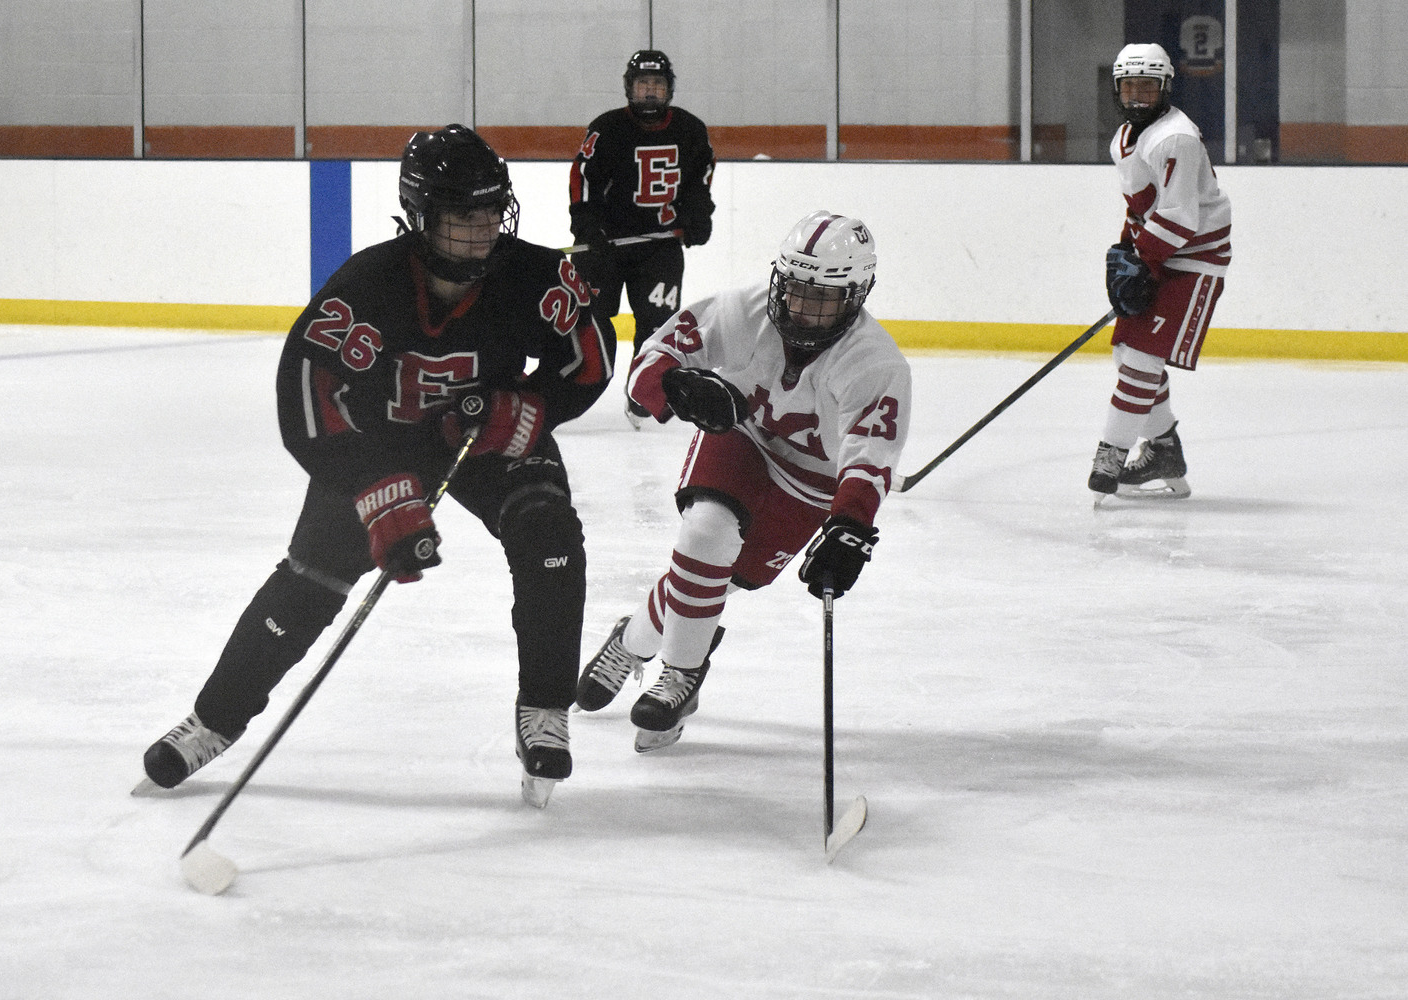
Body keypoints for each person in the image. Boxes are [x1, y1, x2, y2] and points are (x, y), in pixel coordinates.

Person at [143, 125, 616, 808]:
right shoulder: (369, 284)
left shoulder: (537, 276)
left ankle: (544, 709)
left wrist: (535, 407)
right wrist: (372, 487)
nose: (482, 232)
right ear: (420, 218)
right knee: (311, 579)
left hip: (487, 430)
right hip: (380, 445)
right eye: (462, 217)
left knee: (549, 537)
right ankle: (214, 720)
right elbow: (306, 395)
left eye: (491, 213)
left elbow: (588, 358)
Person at [573, 211, 911, 751]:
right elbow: (649, 365)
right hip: (743, 438)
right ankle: (684, 675)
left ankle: (632, 640)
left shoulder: (875, 364)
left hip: (812, 481)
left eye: (821, 298)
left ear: (856, 295)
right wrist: (676, 386)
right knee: (706, 536)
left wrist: (848, 528)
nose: (801, 307)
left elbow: (869, 459)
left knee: (715, 582)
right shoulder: (742, 309)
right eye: (795, 289)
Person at [1089, 42, 1231, 500]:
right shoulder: (1125, 137)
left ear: (1165, 88)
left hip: (1195, 258)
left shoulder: (1176, 139)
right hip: (1161, 253)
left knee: (1142, 363)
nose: (1136, 98)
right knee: (1126, 355)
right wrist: (1126, 253)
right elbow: (1141, 209)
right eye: (1128, 88)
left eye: (1147, 89)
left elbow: (1179, 217)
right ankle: (1165, 448)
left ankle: (1110, 455)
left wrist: (1142, 261)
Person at [569, 49, 716, 428]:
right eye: (643, 84)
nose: (650, 91)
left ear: (669, 89)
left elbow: (699, 183)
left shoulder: (691, 130)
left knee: (657, 323)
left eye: (657, 84)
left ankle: (643, 391)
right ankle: (571, 392)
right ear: (629, 88)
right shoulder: (606, 128)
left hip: (660, 247)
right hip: (605, 246)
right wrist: (587, 229)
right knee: (591, 320)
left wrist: (698, 216)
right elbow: (583, 181)